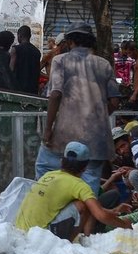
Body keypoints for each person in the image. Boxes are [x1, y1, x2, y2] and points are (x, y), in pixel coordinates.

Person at [36, 23, 120, 195]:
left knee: (45, 169)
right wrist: (99, 117)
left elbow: (56, 94)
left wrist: (47, 130)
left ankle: (51, 212)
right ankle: (84, 219)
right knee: (88, 187)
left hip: (65, 134)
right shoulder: (104, 65)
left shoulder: (60, 60)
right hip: (97, 138)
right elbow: (114, 102)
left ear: (70, 41)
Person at [16, 141, 131, 240]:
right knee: (83, 205)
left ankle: (85, 237)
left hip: (22, 231)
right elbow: (100, 214)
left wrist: (114, 211)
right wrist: (124, 225)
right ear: (85, 168)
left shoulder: (48, 175)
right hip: (42, 236)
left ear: (62, 161)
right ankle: (74, 242)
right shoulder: (79, 185)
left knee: (86, 203)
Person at [10, 25, 41, 94]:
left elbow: (11, 70)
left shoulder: (15, 49)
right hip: (32, 91)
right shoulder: (37, 52)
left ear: (20, 36)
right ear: (30, 36)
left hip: (17, 89)